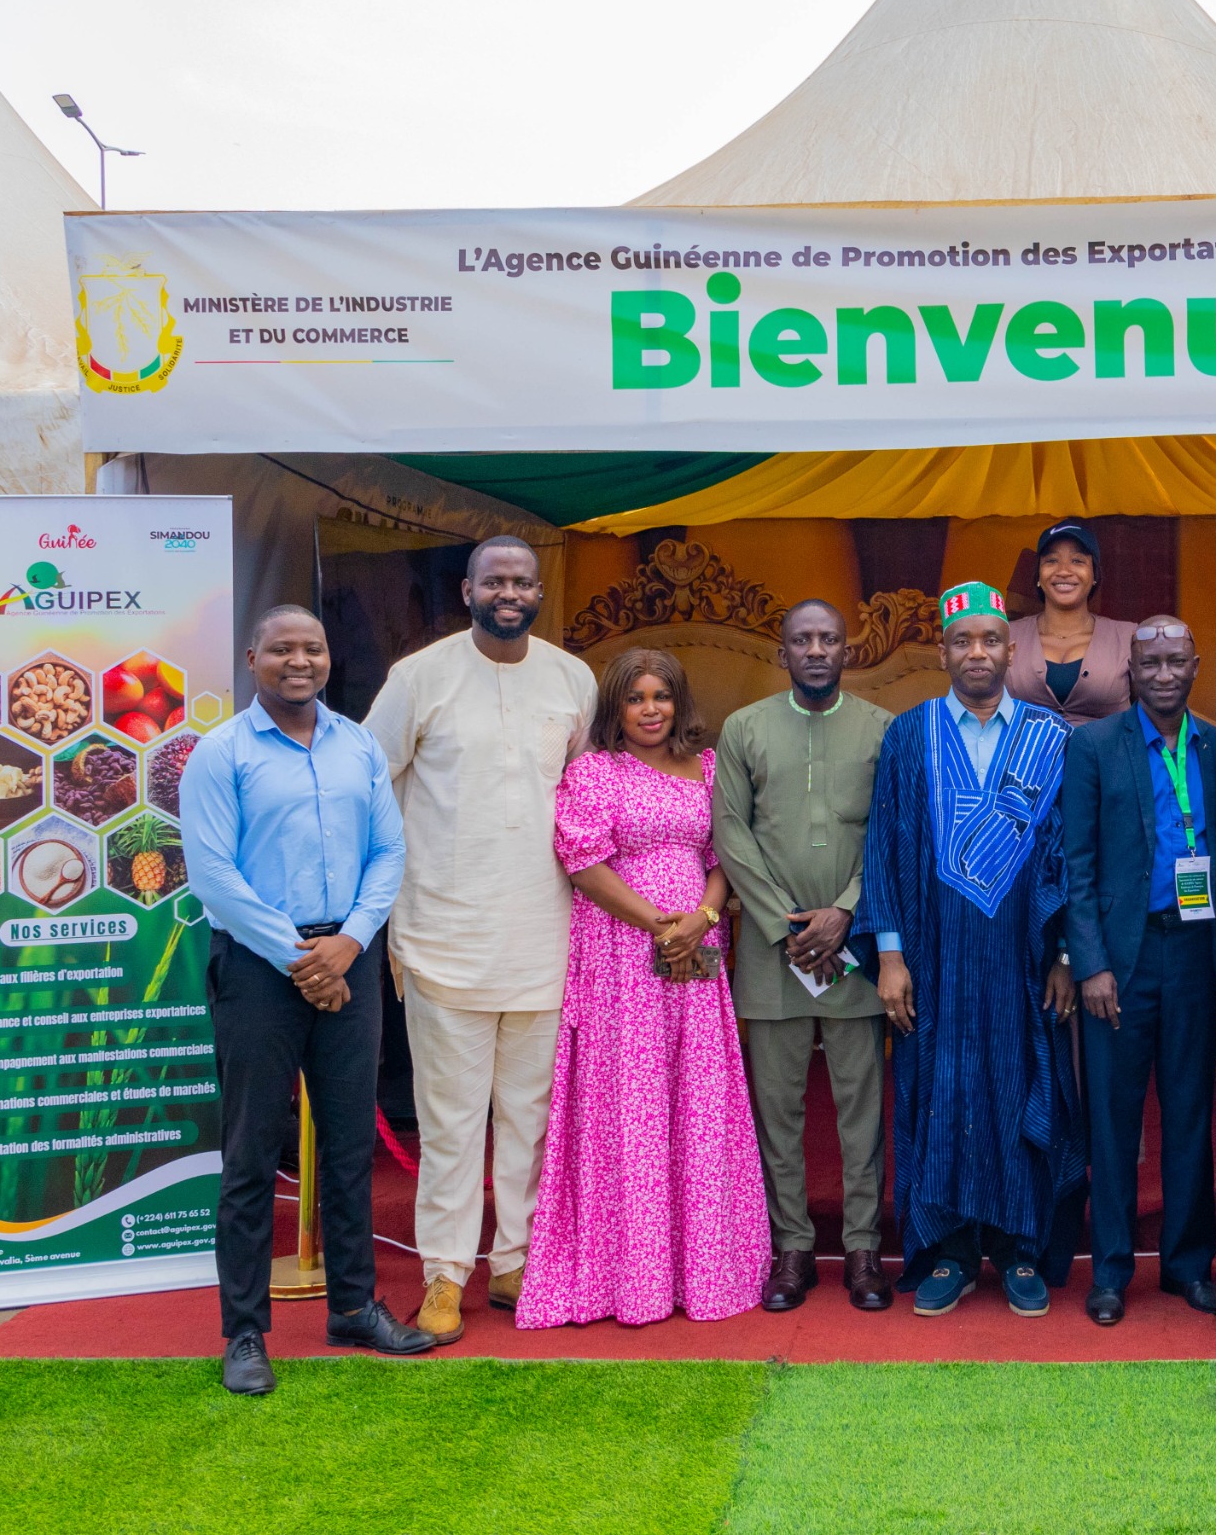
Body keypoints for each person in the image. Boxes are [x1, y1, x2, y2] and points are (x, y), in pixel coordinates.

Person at [181, 605, 434, 1395]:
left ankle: (354, 1306)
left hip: (349, 958)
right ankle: (245, 1332)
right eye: (283, 649)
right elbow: (213, 875)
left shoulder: (357, 744)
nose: (300, 660)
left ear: (329, 659)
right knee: (254, 1151)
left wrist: (350, 945)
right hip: (263, 967)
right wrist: (300, 956)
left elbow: (389, 851)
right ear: (252, 658)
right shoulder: (219, 754)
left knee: (350, 1144)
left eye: (313, 648)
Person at [363, 537, 597, 1344]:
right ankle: (443, 1273)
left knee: (529, 1116)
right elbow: (372, 787)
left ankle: (515, 1261)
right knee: (452, 1119)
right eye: (494, 580)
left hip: (546, 933)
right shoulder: (417, 678)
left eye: (522, 581)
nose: (509, 592)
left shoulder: (573, 679)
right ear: (467, 589)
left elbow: (578, 800)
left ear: (539, 591)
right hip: (442, 936)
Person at [514, 650, 769, 1326]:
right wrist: (661, 926)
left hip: (696, 952)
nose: (650, 709)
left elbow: (724, 860)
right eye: (635, 698)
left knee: (697, 1101)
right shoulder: (594, 772)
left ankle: (702, 1271)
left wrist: (702, 920)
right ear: (616, 708)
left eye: (661, 696)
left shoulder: (708, 770)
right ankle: (632, 1279)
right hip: (622, 956)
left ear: (678, 704)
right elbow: (583, 863)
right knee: (630, 1106)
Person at [863, 582, 1084, 1317]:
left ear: (1011, 649)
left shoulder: (1050, 739)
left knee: (1022, 1084)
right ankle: (951, 1253)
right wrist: (890, 957)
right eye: (964, 641)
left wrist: (1062, 958)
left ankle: (1021, 1249)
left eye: (991, 640)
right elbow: (887, 848)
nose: (978, 653)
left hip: (1024, 959)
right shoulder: (909, 734)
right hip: (934, 955)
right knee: (942, 1091)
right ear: (944, 651)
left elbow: (1067, 855)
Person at [711, 600, 896, 1313]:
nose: (816, 650)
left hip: (853, 947)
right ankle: (789, 1247)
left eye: (829, 638)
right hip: (772, 950)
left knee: (862, 1109)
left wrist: (847, 911)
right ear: (781, 652)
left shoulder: (882, 729)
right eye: (802, 640)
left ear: (847, 650)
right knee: (776, 1109)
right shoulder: (745, 728)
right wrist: (783, 926)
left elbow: (890, 833)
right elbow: (730, 831)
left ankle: (861, 1248)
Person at [1061, 615, 1216, 1325]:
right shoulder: (1094, 746)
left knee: (1193, 1113)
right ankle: (1108, 1270)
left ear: (1196, 666)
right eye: (1149, 663)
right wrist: (1090, 964)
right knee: (1111, 1118)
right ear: (1130, 671)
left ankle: (1188, 1266)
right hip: (1119, 962)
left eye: (1175, 662)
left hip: (1198, 954)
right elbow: (1074, 865)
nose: (1163, 674)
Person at [1008, 521, 1136, 728]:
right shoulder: (1008, 635)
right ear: (1038, 575)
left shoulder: (1129, 637)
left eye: (1077, 561)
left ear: (1094, 574)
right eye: (1051, 561)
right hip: (1023, 759)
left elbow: (1150, 712)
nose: (1064, 571)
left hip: (1106, 760)